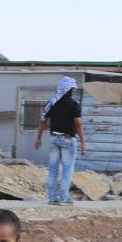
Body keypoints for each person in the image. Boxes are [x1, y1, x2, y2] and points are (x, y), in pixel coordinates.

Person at [34, 76, 87, 205]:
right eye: (72, 89)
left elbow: (42, 121)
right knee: (67, 170)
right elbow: (78, 123)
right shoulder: (74, 104)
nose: (73, 91)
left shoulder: (51, 103)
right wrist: (83, 143)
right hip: (68, 139)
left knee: (53, 169)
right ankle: (63, 198)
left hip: (54, 139)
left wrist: (39, 138)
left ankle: (52, 198)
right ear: (69, 90)